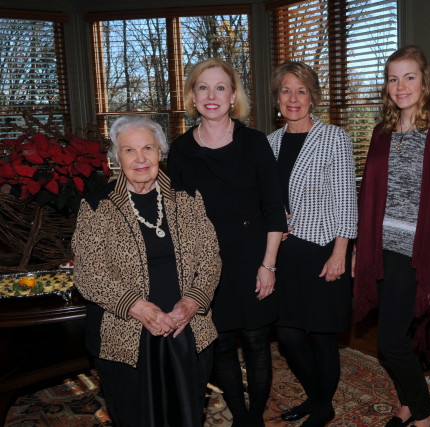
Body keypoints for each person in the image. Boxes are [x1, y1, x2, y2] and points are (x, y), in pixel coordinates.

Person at [72, 115, 221, 427]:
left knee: (187, 414)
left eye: (147, 148)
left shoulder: (189, 197)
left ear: (160, 152)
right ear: (116, 158)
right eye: (129, 150)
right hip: (125, 333)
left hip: (186, 328)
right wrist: (137, 307)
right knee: (135, 416)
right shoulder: (97, 204)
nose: (140, 158)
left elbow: (211, 258)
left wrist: (191, 303)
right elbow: (88, 272)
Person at [167, 58, 286, 427]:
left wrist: (268, 266)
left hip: (252, 257)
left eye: (221, 87)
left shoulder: (254, 143)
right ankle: (241, 416)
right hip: (206, 265)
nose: (212, 95)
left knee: (255, 342)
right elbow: (176, 218)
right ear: (192, 96)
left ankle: (254, 418)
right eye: (203, 87)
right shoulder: (181, 149)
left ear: (234, 96)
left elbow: (274, 210)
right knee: (219, 342)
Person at [352, 45, 430, 427]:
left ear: (424, 81)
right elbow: (368, 191)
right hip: (380, 248)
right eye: (393, 78)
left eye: (409, 77)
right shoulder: (382, 132)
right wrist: (359, 247)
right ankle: (405, 405)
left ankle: (425, 416)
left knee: (390, 342)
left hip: (415, 253)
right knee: (404, 335)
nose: (400, 86)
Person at [267, 61, 358, 427]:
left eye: (301, 91)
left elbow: (346, 200)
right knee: (288, 335)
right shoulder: (269, 143)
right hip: (285, 253)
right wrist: (272, 224)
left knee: (321, 335)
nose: (293, 98)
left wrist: (341, 252)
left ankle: (321, 407)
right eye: (286, 90)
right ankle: (319, 399)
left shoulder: (334, 137)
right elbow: (266, 198)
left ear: (313, 97)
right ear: (277, 98)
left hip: (322, 249)